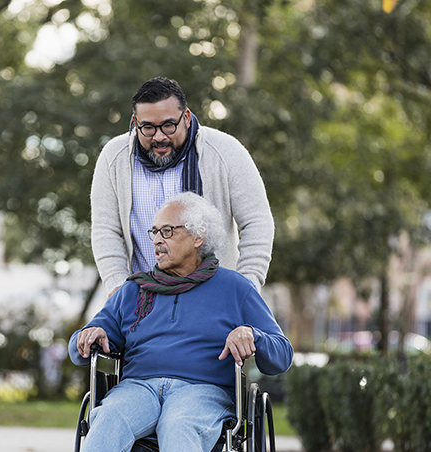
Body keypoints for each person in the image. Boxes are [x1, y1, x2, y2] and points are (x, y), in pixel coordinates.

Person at [69, 192, 293, 452]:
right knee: (108, 419)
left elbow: (282, 355)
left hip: (203, 391)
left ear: (198, 236)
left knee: (178, 425)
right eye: (154, 232)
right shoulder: (134, 290)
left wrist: (253, 335)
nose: (157, 241)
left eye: (167, 231)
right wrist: (87, 336)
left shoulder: (234, 288)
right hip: (138, 388)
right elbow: (78, 350)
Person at [91, 76, 274, 297]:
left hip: (213, 300)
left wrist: (246, 288)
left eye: (168, 125)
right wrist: (117, 288)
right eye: (148, 127)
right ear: (135, 122)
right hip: (143, 303)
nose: (159, 137)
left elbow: (257, 223)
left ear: (186, 117)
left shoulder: (226, 151)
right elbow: (105, 230)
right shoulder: (114, 158)